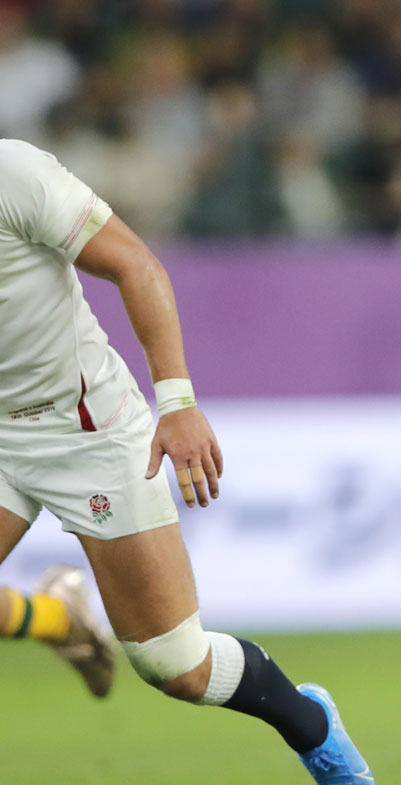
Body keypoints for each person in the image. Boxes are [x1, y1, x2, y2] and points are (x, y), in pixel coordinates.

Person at [0, 138, 374, 785]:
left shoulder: (12, 173)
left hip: (86, 431)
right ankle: (57, 619)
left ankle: (311, 723)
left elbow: (136, 264)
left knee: (176, 666)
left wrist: (177, 403)